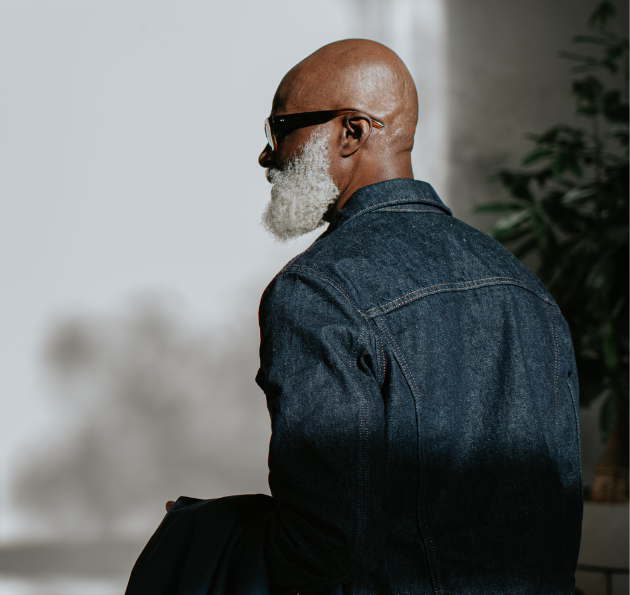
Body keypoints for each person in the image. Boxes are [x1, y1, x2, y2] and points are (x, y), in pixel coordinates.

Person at [126, 40, 581, 594]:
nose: (267, 156)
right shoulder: (524, 286)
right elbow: (557, 516)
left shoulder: (316, 293)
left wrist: (203, 530)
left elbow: (325, 545)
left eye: (280, 129)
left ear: (352, 132)